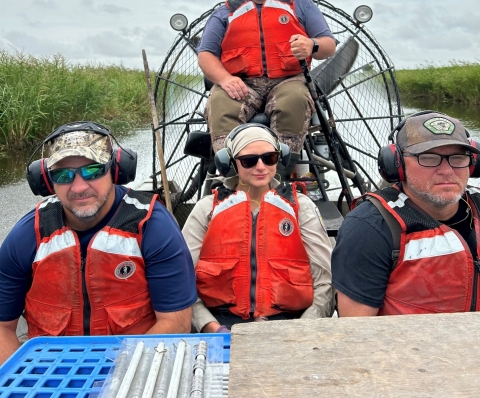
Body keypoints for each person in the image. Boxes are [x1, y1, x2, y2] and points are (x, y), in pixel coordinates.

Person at [0, 122, 197, 365]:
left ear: (115, 169)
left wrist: (112, 382)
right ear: (46, 181)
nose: (79, 187)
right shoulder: (28, 234)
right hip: (49, 377)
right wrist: (18, 381)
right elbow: (3, 327)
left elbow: (175, 322)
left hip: (133, 372)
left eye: (93, 171)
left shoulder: (153, 226)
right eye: (63, 175)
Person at [197, 0, 336, 175]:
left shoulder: (299, 3)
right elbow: (206, 54)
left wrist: (312, 45)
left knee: (294, 100)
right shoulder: (225, 11)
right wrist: (225, 79)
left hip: (288, 81)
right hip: (242, 83)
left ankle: (279, 173)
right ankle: (233, 175)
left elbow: (328, 45)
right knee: (220, 102)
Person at [182, 124, 334, 332]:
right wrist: (210, 327)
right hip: (221, 326)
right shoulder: (207, 209)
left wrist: (304, 327)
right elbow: (182, 280)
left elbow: (325, 281)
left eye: (269, 158)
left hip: (292, 327)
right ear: (231, 163)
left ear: (279, 158)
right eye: (249, 161)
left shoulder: (302, 208)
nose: (261, 167)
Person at [332, 111, 480, 317]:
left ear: (473, 163)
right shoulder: (369, 227)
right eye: (429, 158)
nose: (447, 170)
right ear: (397, 164)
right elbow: (356, 330)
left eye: (458, 157)